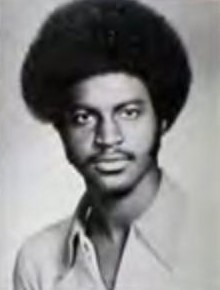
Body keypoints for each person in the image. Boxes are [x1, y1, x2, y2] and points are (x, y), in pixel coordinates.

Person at [13, 0, 192, 289]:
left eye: (129, 113)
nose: (108, 138)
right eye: (84, 117)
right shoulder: (38, 262)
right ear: (61, 129)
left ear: (162, 120)